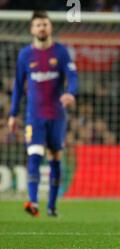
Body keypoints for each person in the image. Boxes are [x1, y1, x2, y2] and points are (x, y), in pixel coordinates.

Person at [8, 11, 78, 217]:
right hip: (34, 116)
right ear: (32, 29)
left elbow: (73, 77)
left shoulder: (61, 52)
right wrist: (13, 114)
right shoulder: (25, 55)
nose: (42, 28)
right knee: (35, 154)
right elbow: (19, 86)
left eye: (45, 24)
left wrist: (70, 93)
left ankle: (52, 205)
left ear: (50, 27)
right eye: (38, 25)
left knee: (55, 156)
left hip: (57, 116)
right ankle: (33, 202)